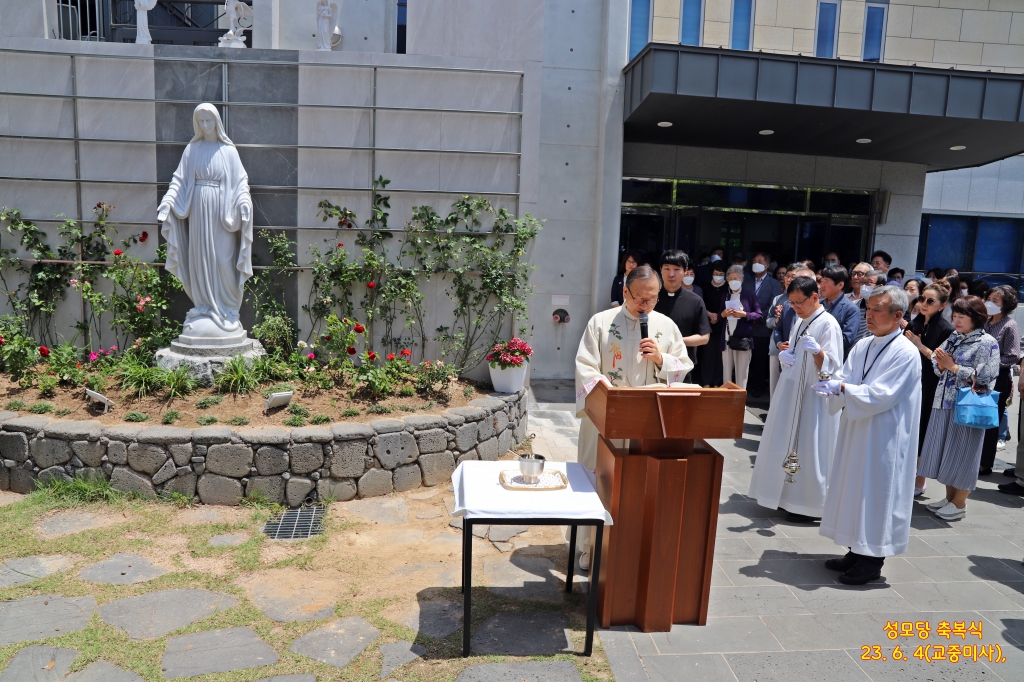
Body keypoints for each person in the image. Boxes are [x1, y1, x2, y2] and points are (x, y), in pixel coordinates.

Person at [574, 264, 692, 569]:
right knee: (599, 479)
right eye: (640, 299)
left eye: (652, 299)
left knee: (639, 484)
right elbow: (586, 367)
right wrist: (609, 397)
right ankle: (590, 546)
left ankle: (632, 546)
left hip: (647, 419)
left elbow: (683, 366)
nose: (646, 305)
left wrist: (661, 358)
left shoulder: (665, 325)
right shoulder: (601, 322)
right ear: (625, 292)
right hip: (606, 417)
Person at [813, 286, 922, 585]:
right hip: (857, 428)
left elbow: (883, 394)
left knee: (876, 492)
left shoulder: (906, 353)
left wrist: (844, 389)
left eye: (876, 310)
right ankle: (855, 548)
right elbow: (846, 377)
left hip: (885, 434)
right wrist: (831, 384)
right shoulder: (863, 345)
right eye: (868, 308)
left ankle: (873, 559)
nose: (869, 315)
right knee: (853, 488)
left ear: (898, 315)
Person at [748, 276, 843, 522]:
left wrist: (818, 353)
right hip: (791, 391)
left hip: (813, 396)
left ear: (814, 297)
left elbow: (833, 366)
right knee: (785, 441)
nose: (795, 307)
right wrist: (785, 355)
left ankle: (807, 504)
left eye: (799, 302)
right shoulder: (801, 320)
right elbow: (792, 350)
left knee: (809, 446)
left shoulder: (828, 324)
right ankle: (783, 495)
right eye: (791, 303)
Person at [918, 296, 1000, 521]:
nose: (956, 320)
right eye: (955, 315)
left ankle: (960, 503)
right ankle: (950, 498)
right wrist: (942, 363)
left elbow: (986, 377)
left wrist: (954, 367)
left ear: (976, 318)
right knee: (947, 452)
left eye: (961, 316)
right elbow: (937, 358)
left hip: (967, 405)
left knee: (964, 454)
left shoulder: (987, 342)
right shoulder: (955, 337)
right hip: (943, 401)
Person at [904, 280, 954, 496]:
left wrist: (920, 345)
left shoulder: (946, 329)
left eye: (930, 301)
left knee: (923, 431)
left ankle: (919, 480)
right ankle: (907, 476)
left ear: (942, 305)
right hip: (911, 382)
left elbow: (942, 362)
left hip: (932, 386)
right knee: (909, 429)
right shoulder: (914, 323)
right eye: (922, 299)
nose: (924, 303)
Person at [979, 286, 1020, 476]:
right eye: (989, 298)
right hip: (980, 376)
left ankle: (985, 463)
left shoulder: (1009, 325)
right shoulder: (984, 321)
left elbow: (1012, 357)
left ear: (1006, 305)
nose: (990, 303)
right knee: (977, 419)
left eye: (995, 300)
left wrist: (991, 364)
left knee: (990, 420)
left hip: (999, 378)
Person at [655, 250, 711, 383]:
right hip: (651, 365)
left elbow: (704, 338)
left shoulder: (695, 301)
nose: (671, 274)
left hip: (682, 365)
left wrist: (676, 342)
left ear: (685, 271)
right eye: (667, 269)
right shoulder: (650, 298)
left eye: (676, 269)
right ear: (660, 270)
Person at [720, 265, 762, 390]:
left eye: (736, 278)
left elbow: (759, 314)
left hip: (743, 339)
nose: (733, 281)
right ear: (727, 281)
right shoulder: (725, 296)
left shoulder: (749, 295)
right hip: (727, 338)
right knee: (726, 372)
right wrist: (723, 314)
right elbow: (719, 315)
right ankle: (726, 399)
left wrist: (744, 314)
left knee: (742, 373)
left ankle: (740, 402)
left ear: (742, 280)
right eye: (731, 278)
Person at [748, 252, 782, 397]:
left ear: (767, 265)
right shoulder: (746, 282)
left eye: (760, 261)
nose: (756, 263)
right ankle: (746, 385)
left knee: (760, 359)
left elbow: (773, 304)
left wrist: (759, 316)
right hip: (746, 325)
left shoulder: (774, 283)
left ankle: (758, 387)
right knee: (746, 358)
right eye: (754, 260)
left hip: (762, 328)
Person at [819, 265, 859, 360]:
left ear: (840, 285)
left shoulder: (851, 309)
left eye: (826, 282)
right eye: (821, 281)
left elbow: (847, 339)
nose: (822, 286)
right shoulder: (818, 305)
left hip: (834, 360)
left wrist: (818, 341)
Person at [701, 261, 728, 387]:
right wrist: (710, 314)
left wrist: (719, 315)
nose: (718, 276)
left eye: (721, 274)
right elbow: (701, 305)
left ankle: (717, 382)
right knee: (707, 354)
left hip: (723, 324)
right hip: (708, 323)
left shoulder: (727, 288)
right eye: (716, 273)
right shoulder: (705, 287)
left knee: (720, 354)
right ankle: (706, 381)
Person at [854, 270, 885, 341]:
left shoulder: (886, 309)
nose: (864, 286)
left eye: (869, 282)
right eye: (864, 283)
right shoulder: (854, 306)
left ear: (880, 286)